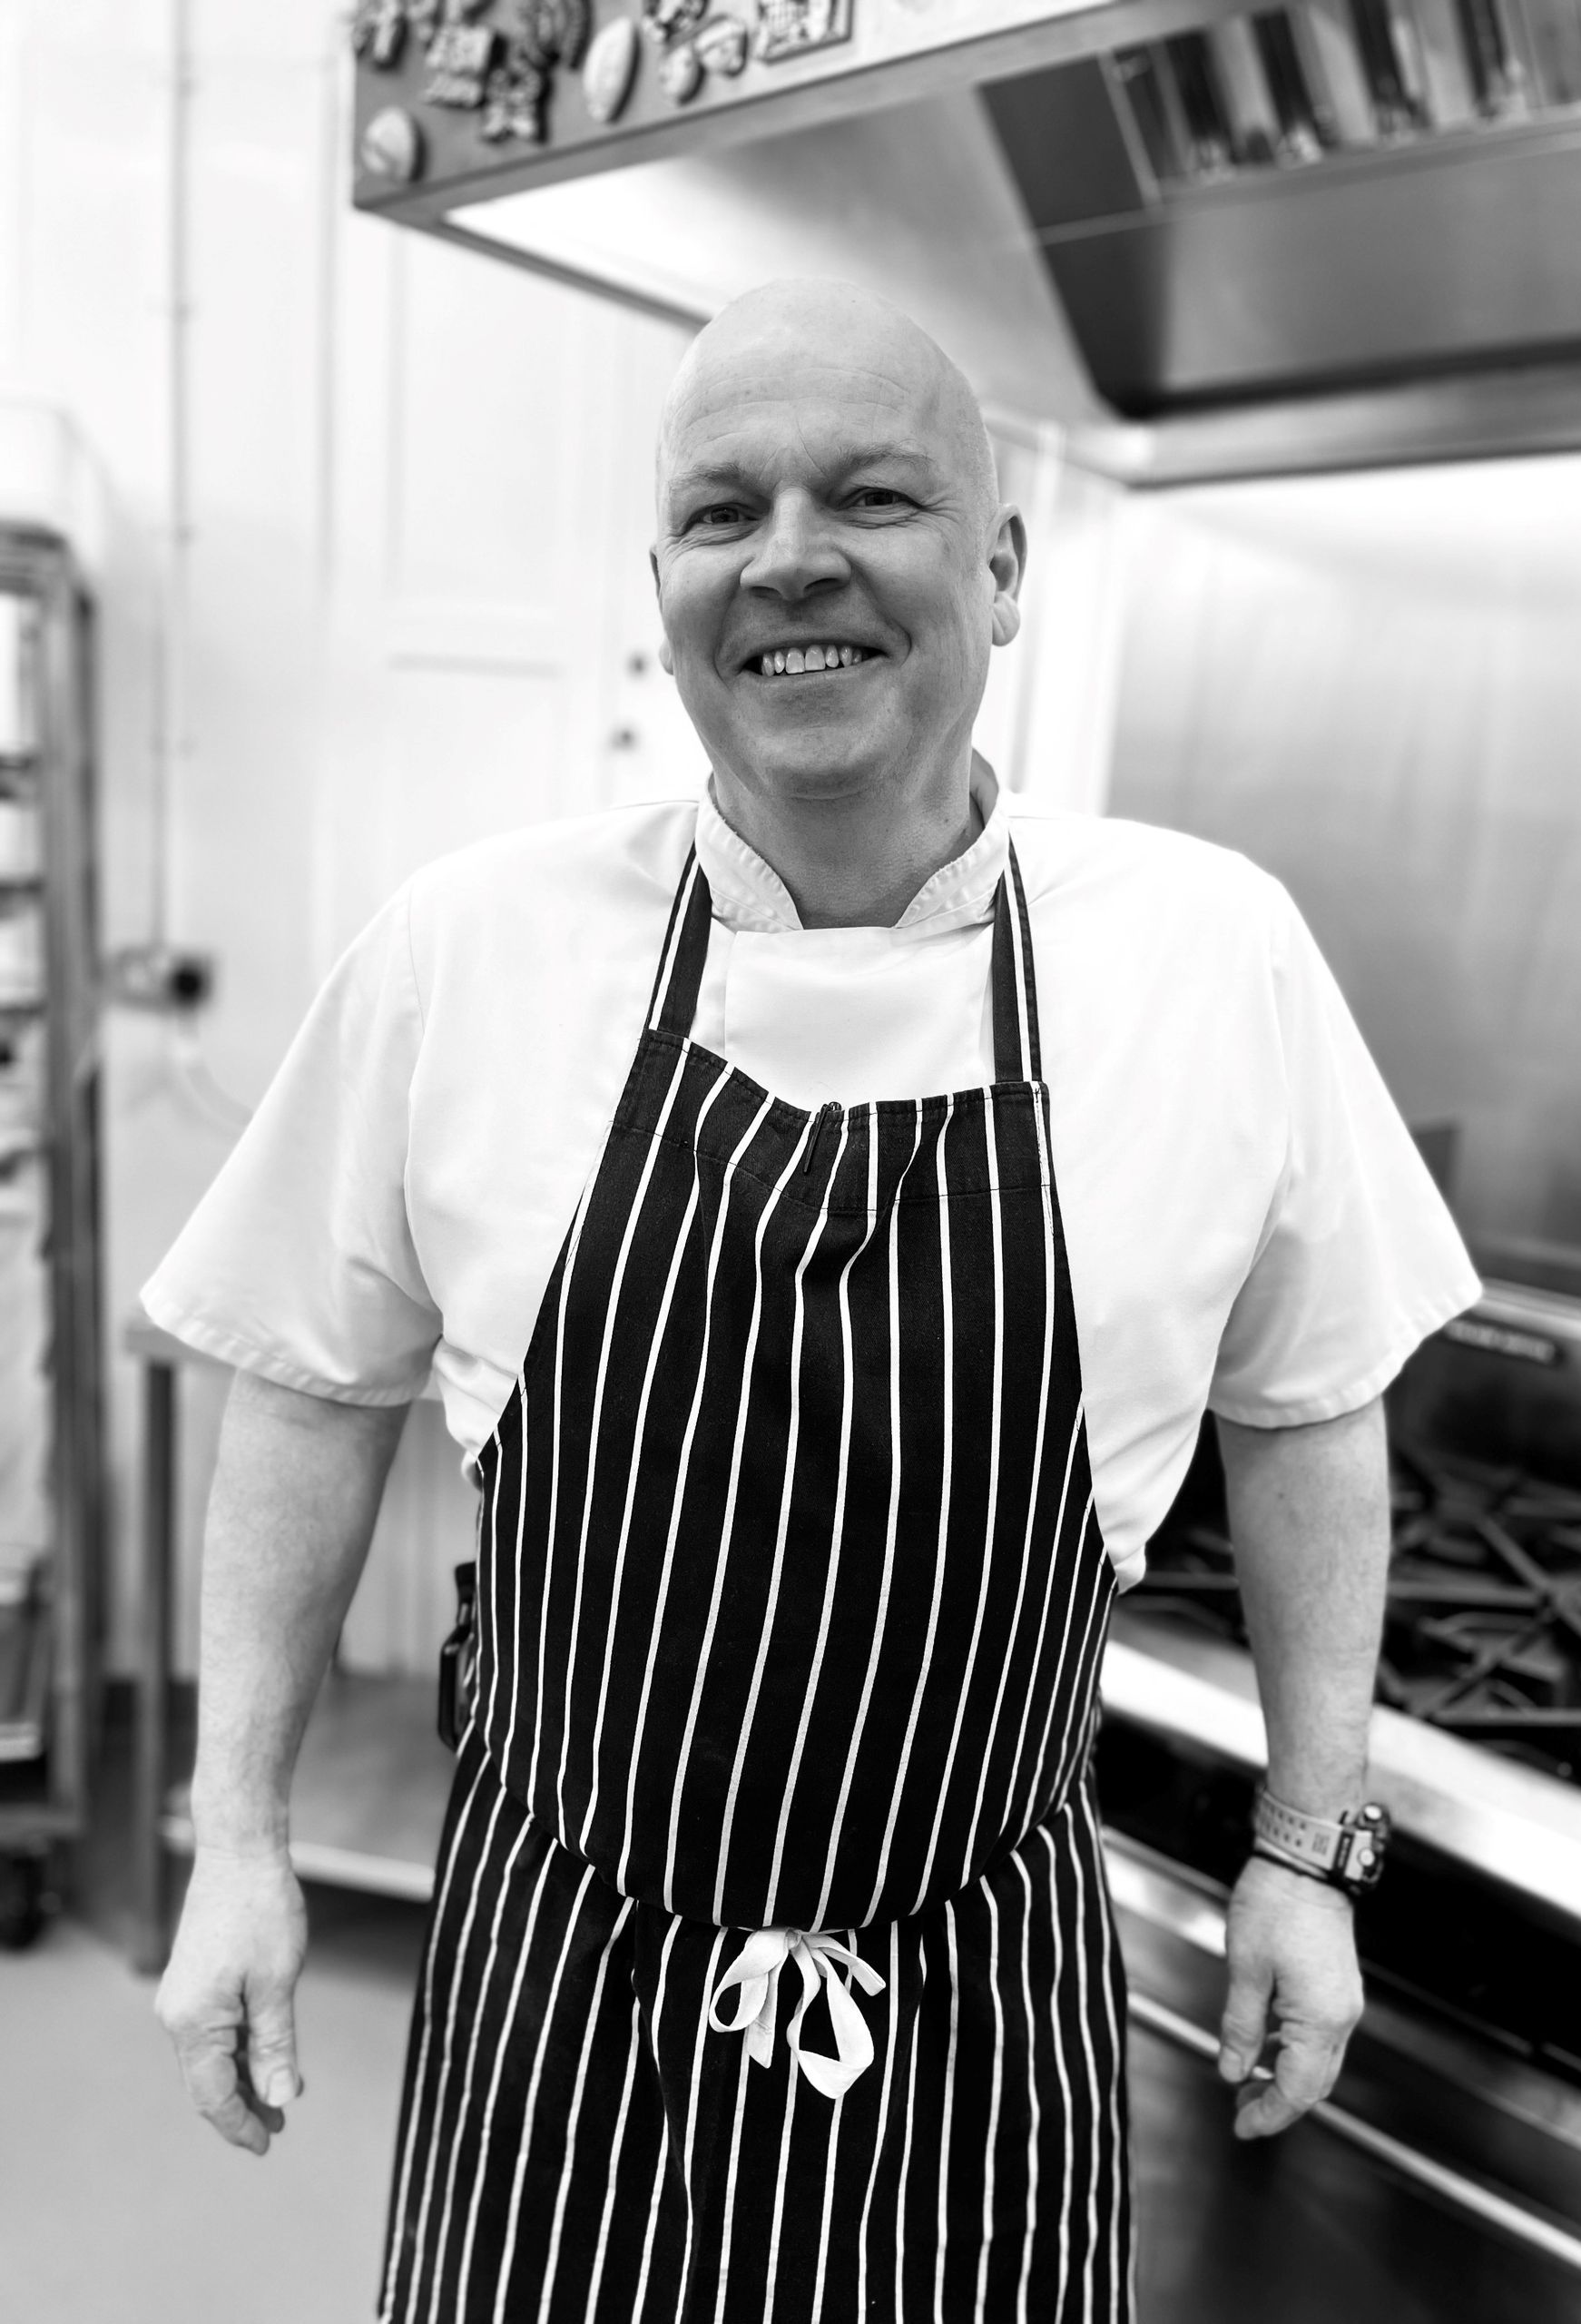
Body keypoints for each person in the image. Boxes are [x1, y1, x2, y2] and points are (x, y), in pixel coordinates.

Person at [149, 277, 1478, 2322]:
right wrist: (237, 1828)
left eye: (874, 495)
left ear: (1003, 564)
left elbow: (1305, 1406)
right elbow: (314, 1384)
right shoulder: (471, 950)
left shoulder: (1214, 958)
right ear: (663, 579)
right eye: (721, 509)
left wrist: (1310, 1845)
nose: (791, 560)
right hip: (561, 1985)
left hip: (976, 1993)